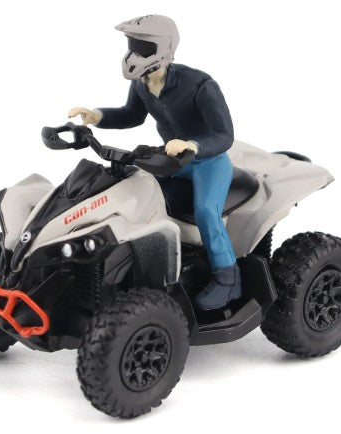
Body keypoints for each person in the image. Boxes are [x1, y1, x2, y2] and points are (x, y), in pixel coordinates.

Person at [69, 15, 241, 311]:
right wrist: (98, 116)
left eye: (142, 47)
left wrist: (192, 145)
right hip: (172, 160)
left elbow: (224, 135)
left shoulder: (200, 85)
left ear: (163, 49)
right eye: (132, 45)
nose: (133, 55)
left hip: (208, 161)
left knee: (206, 212)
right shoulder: (142, 84)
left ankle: (228, 279)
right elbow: (132, 115)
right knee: (136, 190)